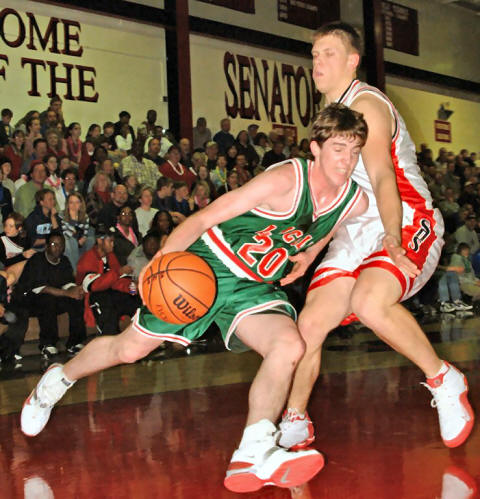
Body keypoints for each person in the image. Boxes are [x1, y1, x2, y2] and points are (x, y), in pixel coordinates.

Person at [20, 104, 369, 493]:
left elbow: (330, 224)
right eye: (339, 149)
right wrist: (161, 260)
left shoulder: (354, 199)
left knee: (290, 345)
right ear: (316, 148)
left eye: (355, 150)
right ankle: (58, 380)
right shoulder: (283, 181)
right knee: (129, 350)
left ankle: (253, 450)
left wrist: (309, 254)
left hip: (253, 286)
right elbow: (203, 218)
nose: (347, 159)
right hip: (207, 268)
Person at [278, 21, 473, 453]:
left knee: (369, 302)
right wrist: (311, 250)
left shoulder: (366, 105)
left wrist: (392, 235)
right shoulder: (330, 115)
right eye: (314, 55)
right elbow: (340, 197)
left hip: (403, 216)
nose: (317, 62)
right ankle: (295, 418)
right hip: (354, 229)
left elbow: (383, 177)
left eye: (328, 53)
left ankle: (443, 378)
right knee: (309, 324)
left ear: (353, 61)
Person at [9, 231, 86, 357]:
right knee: (47, 299)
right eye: (54, 244)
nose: (58, 248)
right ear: (47, 246)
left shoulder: (64, 261)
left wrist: (75, 290)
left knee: (76, 299)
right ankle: (48, 344)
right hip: (30, 300)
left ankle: (75, 342)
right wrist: (67, 293)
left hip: (55, 297)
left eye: (61, 245)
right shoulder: (37, 260)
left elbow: (68, 283)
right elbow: (41, 288)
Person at [61, 192, 93, 270]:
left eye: (77, 202)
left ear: (81, 204)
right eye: (71, 203)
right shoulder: (62, 215)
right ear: (67, 204)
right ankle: (75, 269)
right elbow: (66, 233)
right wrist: (73, 220)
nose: (74, 206)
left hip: (79, 240)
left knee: (91, 240)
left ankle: (87, 267)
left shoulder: (85, 216)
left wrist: (84, 238)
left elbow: (85, 232)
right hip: (67, 241)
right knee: (72, 241)